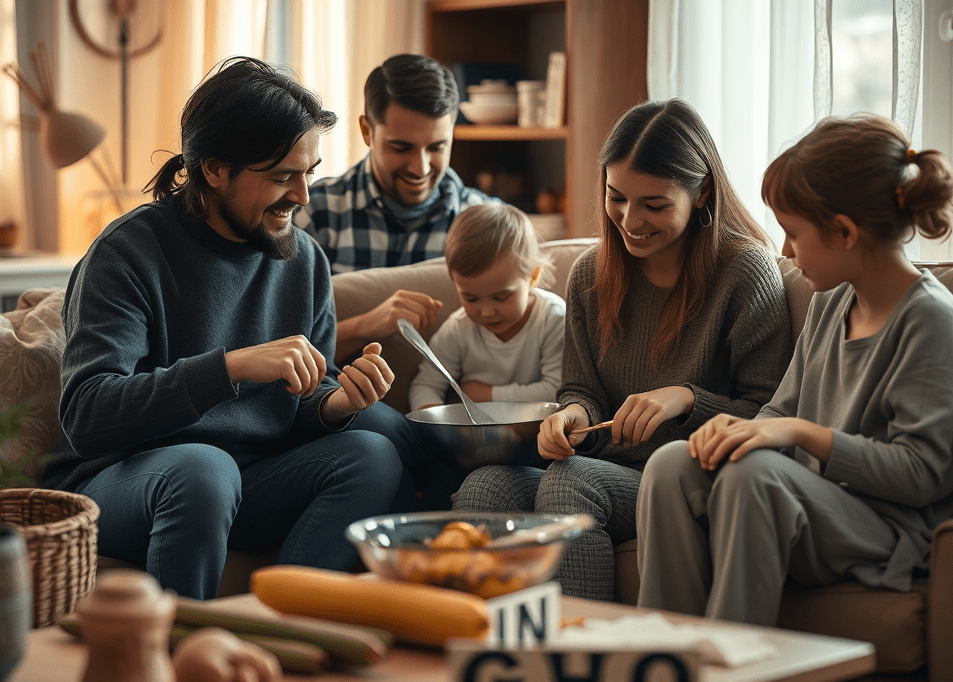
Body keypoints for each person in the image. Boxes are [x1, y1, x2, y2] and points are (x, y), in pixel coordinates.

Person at [41, 57, 407, 600]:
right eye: (283, 176)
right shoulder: (128, 253)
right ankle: (184, 656)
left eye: (310, 172)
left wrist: (336, 405)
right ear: (214, 169)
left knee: (373, 452)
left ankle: (291, 634)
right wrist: (230, 367)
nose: (303, 196)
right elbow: (88, 414)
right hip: (128, 483)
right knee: (204, 469)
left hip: (250, 482)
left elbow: (305, 399)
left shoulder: (303, 261)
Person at [635, 114, 953, 625]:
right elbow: (780, 408)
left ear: (844, 232)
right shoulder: (831, 300)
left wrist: (798, 432)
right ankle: (668, 653)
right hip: (809, 502)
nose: (785, 254)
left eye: (792, 234)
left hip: (888, 524)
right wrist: (740, 431)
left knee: (751, 477)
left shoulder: (929, 320)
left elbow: (919, 474)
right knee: (671, 465)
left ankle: (736, 660)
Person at [452, 98, 793, 601]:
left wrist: (684, 398)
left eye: (654, 204)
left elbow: (768, 416)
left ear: (700, 195)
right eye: (617, 198)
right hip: (604, 465)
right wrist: (570, 416)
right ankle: (486, 654)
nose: (630, 220)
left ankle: (584, 654)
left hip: (689, 477)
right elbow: (582, 388)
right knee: (485, 487)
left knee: (570, 483)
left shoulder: (745, 273)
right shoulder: (591, 274)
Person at [294, 53, 499, 363]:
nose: (420, 168)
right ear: (367, 131)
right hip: (337, 404)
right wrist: (367, 326)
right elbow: (279, 348)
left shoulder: (487, 224)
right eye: (401, 147)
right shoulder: (313, 213)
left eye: (437, 147)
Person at [408, 204, 566, 412]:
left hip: (536, 434)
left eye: (501, 297)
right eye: (471, 299)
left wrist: (486, 395)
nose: (486, 312)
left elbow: (558, 389)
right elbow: (426, 384)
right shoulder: (458, 329)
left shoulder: (552, 318)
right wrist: (436, 422)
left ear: (532, 277)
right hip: (472, 436)